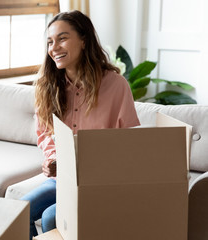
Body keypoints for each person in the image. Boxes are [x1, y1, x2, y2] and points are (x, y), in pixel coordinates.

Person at [21, 10, 140, 239]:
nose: (54, 47)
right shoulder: (47, 86)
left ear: (84, 40)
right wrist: (52, 158)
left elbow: (130, 141)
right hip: (63, 180)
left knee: (50, 217)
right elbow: (44, 132)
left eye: (62, 38)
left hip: (100, 183)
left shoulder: (115, 85)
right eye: (50, 42)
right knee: (18, 210)